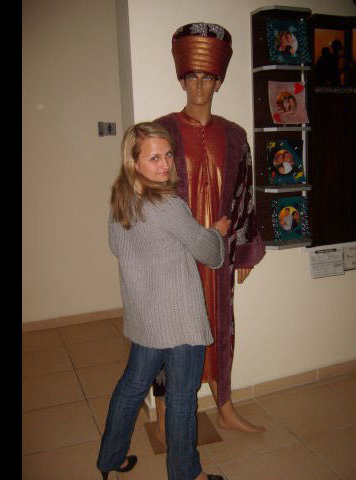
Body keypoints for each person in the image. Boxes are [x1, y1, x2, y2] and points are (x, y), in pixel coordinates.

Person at [151, 22, 266, 443]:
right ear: (182, 79)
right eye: (192, 77)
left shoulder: (235, 136)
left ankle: (225, 406)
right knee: (171, 331)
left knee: (219, 327)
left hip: (217, 256)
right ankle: (165, 413)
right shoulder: (160, 131)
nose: (199, 86)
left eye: (207, 77)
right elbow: (148, 194)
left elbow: (244, 194)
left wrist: (245, 251)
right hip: (173, 256)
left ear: (218, 81)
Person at [96, 122, 229, 480]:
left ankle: (109, 459)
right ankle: (186, 474)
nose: (165, 164)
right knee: (182, 397)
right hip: (178, 320)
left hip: (146, 318)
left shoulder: (121, 201)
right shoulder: (167, 204)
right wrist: (217, 233)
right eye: (154, 157)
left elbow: (118, 248)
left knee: (133, 386)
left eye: (168, 155)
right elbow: (208, 253)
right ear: (134, 162)